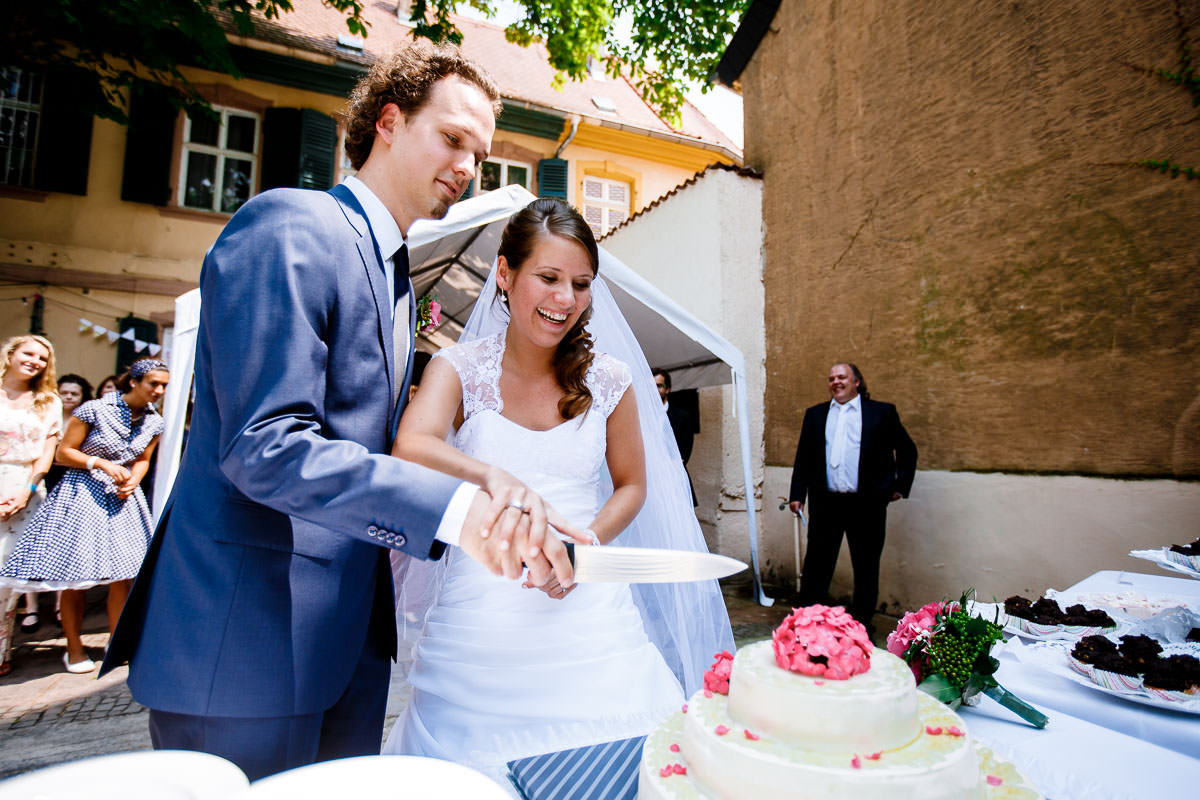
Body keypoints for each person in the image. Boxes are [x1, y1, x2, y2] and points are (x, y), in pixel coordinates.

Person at [101, 42, 586, 781]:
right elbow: (266, 446)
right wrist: (459, 513)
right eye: (452, 138)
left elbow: (375, 448)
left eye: (480, 156)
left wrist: (498, 491)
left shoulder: (398, 282)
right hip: (245, 645)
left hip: (347, 646)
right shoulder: (291, 225)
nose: (466, 166)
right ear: (388, 121)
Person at [384, 199, 733, 795]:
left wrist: (589, 543)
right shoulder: (458, 367)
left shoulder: (612, 381)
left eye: (580, 284)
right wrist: (494, 480)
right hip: (482, 617)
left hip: (590, 611)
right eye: (548, 278)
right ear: (505, 273)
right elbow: (410, 447)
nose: (565, 298)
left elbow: (633, 485)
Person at [0, 359, 169, 672]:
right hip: (82, 492)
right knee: (76, 576)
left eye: (163, 386)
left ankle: (116, 642)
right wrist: (101, 464)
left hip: (123, 498)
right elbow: (64, 452)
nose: (159, 391)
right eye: (153, 384)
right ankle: (74, 649)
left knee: (125, 576)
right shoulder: (93, 409)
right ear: (133, 382)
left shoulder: (154, 422)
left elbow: (144, 459)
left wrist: (133, 479)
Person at [788, 362, 917, 635]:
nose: (836, 381)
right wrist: (797, 493)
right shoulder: (815, 415)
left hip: (867, 504)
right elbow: (804, 458)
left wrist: (898, 486)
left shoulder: (881, 412)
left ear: (857, 381)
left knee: (866, 566)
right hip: (826, 503)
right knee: (817, 566)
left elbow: (907, 449)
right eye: (831, 378)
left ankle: (861, 626)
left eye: (842, 377)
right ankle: (808, 623)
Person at [0, 335, 61, 676]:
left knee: (7, 579)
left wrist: (26, 491)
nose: (35, 361)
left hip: (24, 489)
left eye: (42, 357)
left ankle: (1, 651)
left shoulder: (47, 401)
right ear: (11, 354)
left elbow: (46, 454)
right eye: (29, 353)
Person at [12, 372, 91, 635]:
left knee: (59, 547)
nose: (68, 397)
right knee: (28, 547)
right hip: (38, 481)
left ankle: (59, 604)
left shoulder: (85, 421)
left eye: (74, 393)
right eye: (64, 392)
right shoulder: (42, 415)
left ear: (82, 397)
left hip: (68, 484)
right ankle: (31, 606)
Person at [653, 367, 698, 506]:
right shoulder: (641, 416)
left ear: (667, 389)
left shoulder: (682, 416)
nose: (655, 390)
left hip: (673, 479)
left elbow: (683, 454)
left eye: (659, 386)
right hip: (649, 480)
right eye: (651, 386)